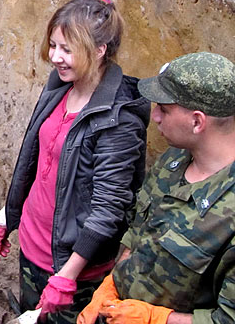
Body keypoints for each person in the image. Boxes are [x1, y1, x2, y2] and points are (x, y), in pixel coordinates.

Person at [0, 0, 150, 323]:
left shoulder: (118, 120)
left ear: (99, 50)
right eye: (52, 46)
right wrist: (9, 214)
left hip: (71, 268)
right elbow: (39, 160)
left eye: (66, 49)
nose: (55, 57)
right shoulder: (61, 86)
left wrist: (67, 276)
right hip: (33, 246)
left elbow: (108, 210)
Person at [78, 52, 235, 324]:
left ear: (197, 122)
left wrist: (157, 318)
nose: (155, 116)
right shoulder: (173, 160)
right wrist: (112, 285)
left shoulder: (228, 213)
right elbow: (139, 229)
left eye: (164, 108)